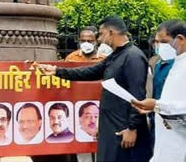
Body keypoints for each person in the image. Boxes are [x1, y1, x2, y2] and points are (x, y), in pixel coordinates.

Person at [34, 15, 152, 162]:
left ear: (111, 32)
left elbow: (138, 95)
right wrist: (56, 71)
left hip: (124, 128)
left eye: (101, 34)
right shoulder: (116, 56)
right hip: (111, 126)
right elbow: (89, 72)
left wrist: (132, 128)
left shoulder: (133, 56)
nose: (100, 39)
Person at [132, 20, 186, 162]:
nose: (160, 46)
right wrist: (154, 108)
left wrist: (157, 105)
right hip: (166, 141)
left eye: (164, 42)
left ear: (180, 39)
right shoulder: (176, 62)